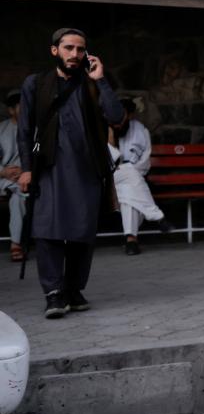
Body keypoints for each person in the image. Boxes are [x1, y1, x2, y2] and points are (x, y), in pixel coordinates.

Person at [17, 27, 125, 318]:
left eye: (80, 49)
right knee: (48, 231)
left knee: (81, 232)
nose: (75, 54)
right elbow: (24, 130)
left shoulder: (93, 82)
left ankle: (74, 289)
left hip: (87, 169)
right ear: (55, 50)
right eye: (68, 48)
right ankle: (54, 294)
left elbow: (116, 117)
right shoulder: (35, 83)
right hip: (48, 168)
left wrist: (101, 81)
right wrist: (26, 168)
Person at [108, 98, 171, 255]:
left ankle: (131, 241)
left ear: (129, 115)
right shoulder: (104, 128)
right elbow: (108, 162)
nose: (119, 122)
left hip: (132, 180)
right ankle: (156, 215)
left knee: (129, 194)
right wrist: (109, 134)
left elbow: (145, 160)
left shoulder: (141, 130)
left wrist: (132, 170)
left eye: (122, 117)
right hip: (108, 180)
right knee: (130, 175)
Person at [1, 91, 27, 262]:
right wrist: (3, 171)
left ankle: (15, 243)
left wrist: (26, 170)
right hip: (2, 177)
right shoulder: (1, 130)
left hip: (23, 179)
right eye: (21, 106)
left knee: (19, 197)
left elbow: (38, 152)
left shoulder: (36, 133)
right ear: (11, 110)